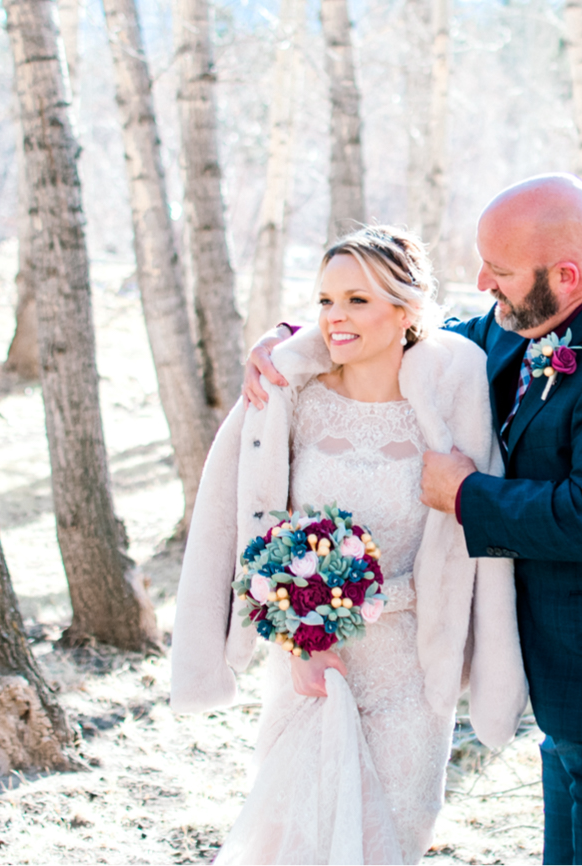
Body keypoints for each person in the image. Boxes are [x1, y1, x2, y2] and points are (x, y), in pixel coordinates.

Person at [247, 176, 582, 866]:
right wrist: (299, 340)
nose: (483, 280)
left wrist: (465, 494)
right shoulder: (526, 324)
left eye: (501, 269)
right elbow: (417, 335)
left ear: (567, 276)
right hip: (577, 692)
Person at [172, 227, 527, 865]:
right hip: (310, 667)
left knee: (387, 838)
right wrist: (301, 641)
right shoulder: (293, 400)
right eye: (326, 300)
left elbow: (466, 545)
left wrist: (378, 601)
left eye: (358, 300)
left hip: (411, 671)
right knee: (300, 839)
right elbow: (264, 539)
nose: (336, 317)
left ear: (406, 310)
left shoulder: (451, 396)